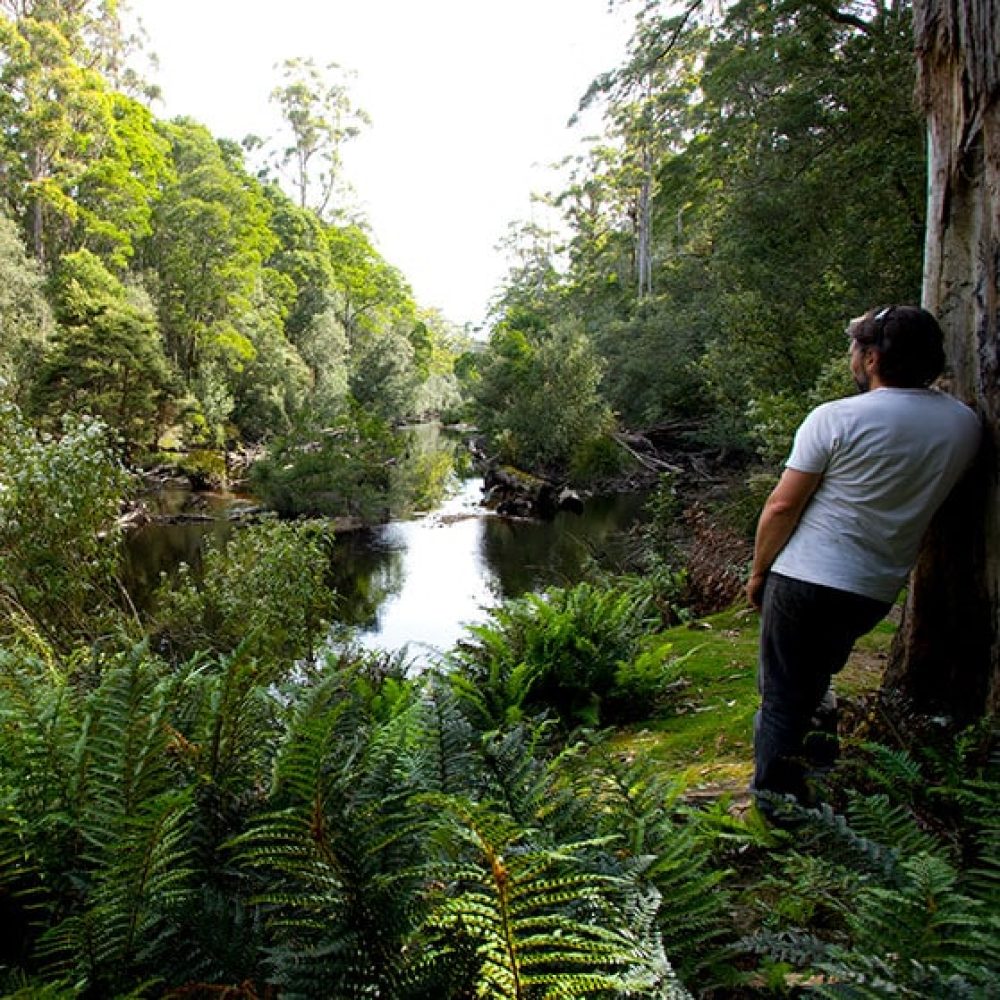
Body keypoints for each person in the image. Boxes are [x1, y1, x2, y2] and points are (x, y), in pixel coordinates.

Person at [746, 304, 981, 815]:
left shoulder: (835, 418)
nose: (853, 354)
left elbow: (783, 504)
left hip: (805, 578)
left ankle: (777, 809)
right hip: (873, 588)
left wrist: (759, 570)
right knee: (816, 680)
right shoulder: (964, 425)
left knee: (782, 695)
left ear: (872, 358)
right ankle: (820, 775)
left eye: (857, 347)